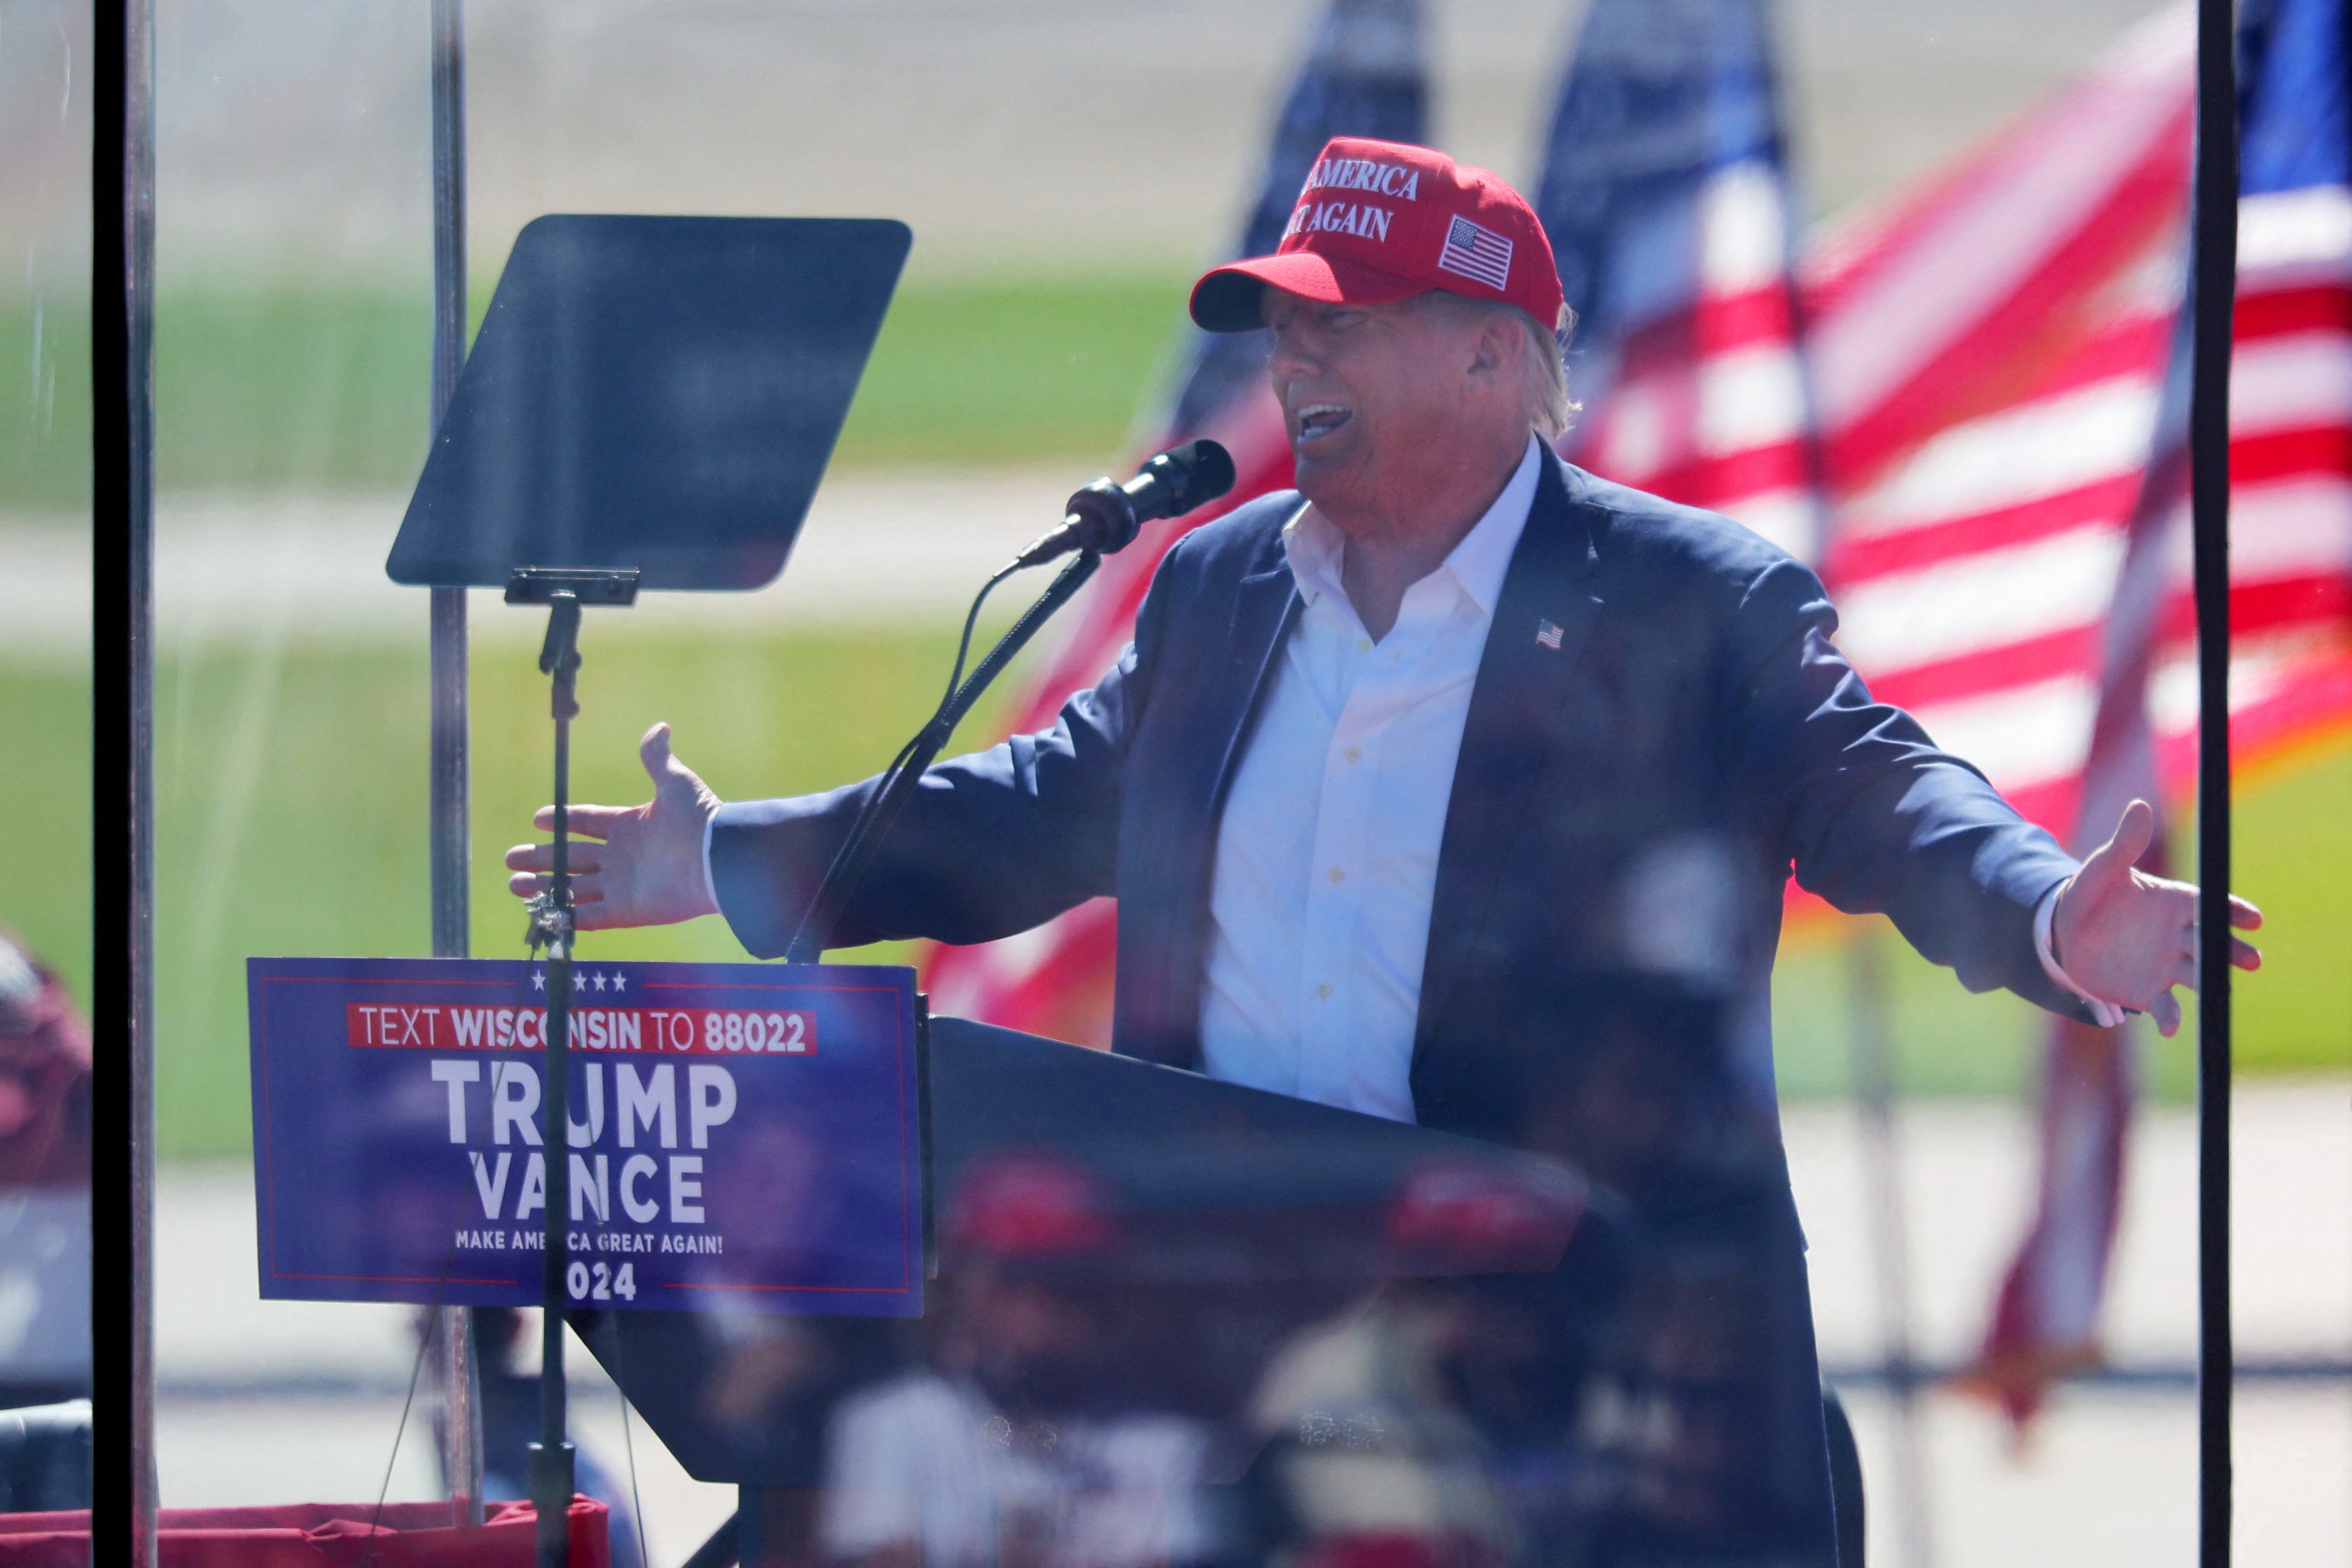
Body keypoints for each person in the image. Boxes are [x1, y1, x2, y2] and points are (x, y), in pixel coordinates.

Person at [507, 136, 2263, 1560]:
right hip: (1226, 1336)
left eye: (1342, 322)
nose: (1295, 358)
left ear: (1493, 350)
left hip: (1554, 1358)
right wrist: (732, 858)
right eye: (1282, 322)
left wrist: (2045, 909)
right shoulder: (1215, 586)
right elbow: (1043, 808)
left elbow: (1874, 791)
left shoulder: (1683, 601)